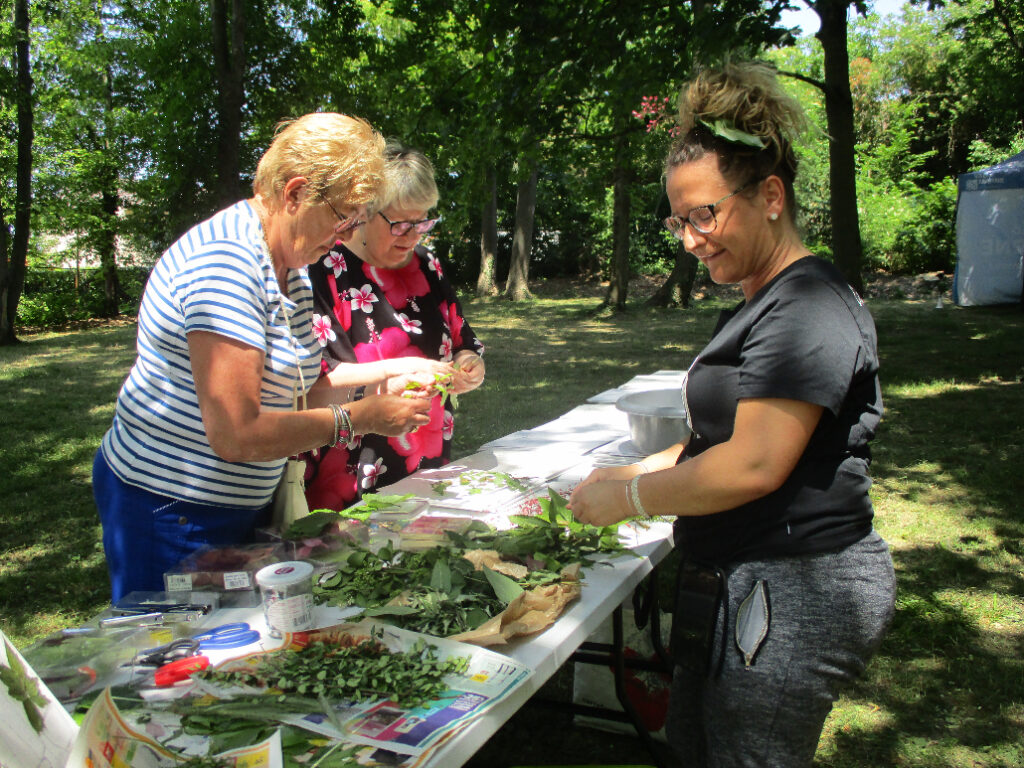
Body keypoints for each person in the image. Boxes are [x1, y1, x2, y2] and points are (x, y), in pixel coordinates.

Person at [569, 62, 896, 767]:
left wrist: (627, 497)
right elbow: (715, 441)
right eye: (679, 219)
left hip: (796, 585)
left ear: (771, 195)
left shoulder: (809, 306)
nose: (689, 238)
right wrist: (624, 469)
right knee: (693, 747)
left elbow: (754, 463)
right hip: (742, 575)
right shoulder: (764, 300)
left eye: (705, 214)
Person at [94, 113, 433, 601]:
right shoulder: (226, 266)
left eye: (356, 221)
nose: (344, 234)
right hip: (171, 506)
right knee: (173, 655)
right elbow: (236, 433)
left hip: (229, 502)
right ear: (295, 193)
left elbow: (299, 387)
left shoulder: (288, 265)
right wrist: (359, 419)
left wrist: (385, 383)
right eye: (344, 218)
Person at [303, 141, 485, 510]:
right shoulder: (324, 269)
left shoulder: (425, 265)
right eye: (401, 224)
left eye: (423, 221)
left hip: (426, 466)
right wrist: (386, 382)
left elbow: (463, 337)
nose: (414, 235)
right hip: (348, 479)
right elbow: (311, 388)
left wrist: (469, 365)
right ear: (364, 211)